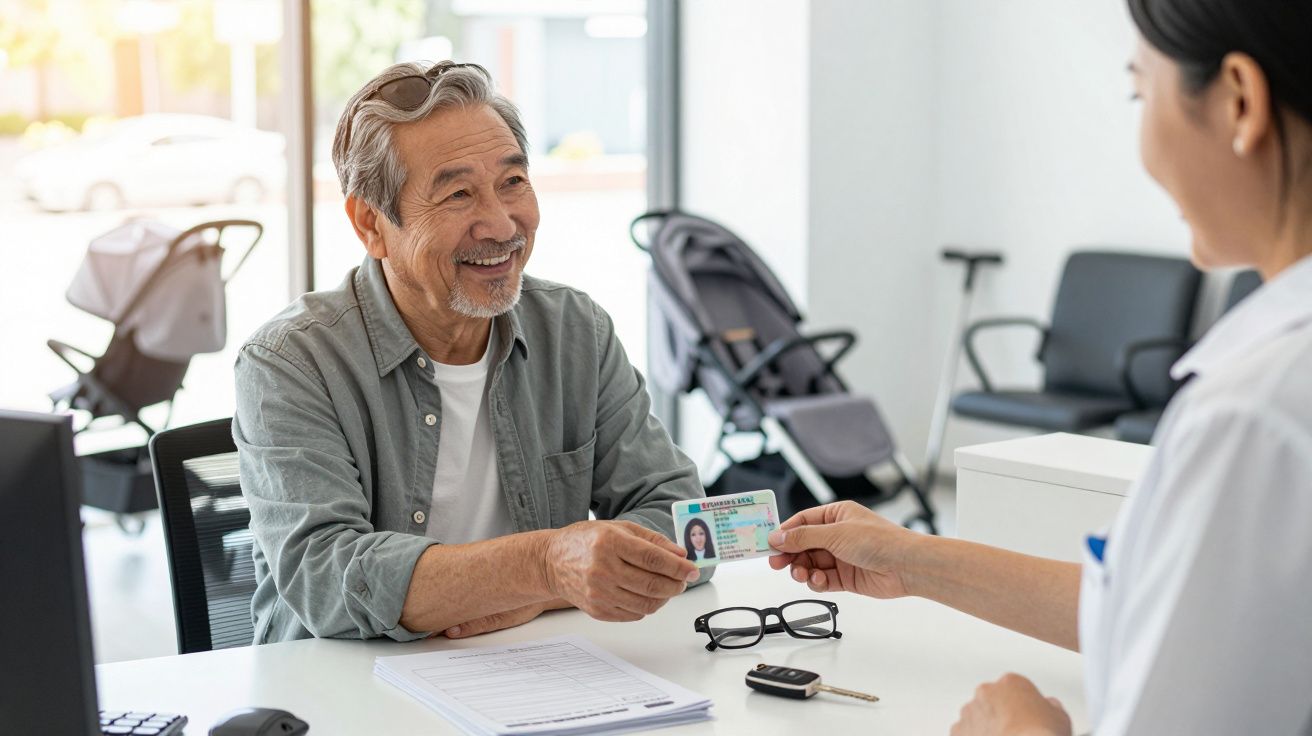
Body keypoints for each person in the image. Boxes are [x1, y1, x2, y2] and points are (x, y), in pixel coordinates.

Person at [767, 1, 1312, 734]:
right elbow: (1150, 599)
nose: (1143, 143)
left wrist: (1022, 730)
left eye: (1138, 92)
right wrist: (911, 560)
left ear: (1240, 102)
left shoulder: (1257, 414)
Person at [233, 61, 709, 645]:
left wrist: (538, 593)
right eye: (458, 194)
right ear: (370, 225)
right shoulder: (289, 362)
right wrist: (544, 566)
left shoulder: (574, 329)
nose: (501, 224)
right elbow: (325, 579)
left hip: (536, 671)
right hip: (344, 689)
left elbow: (683, 520)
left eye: (512, 182)